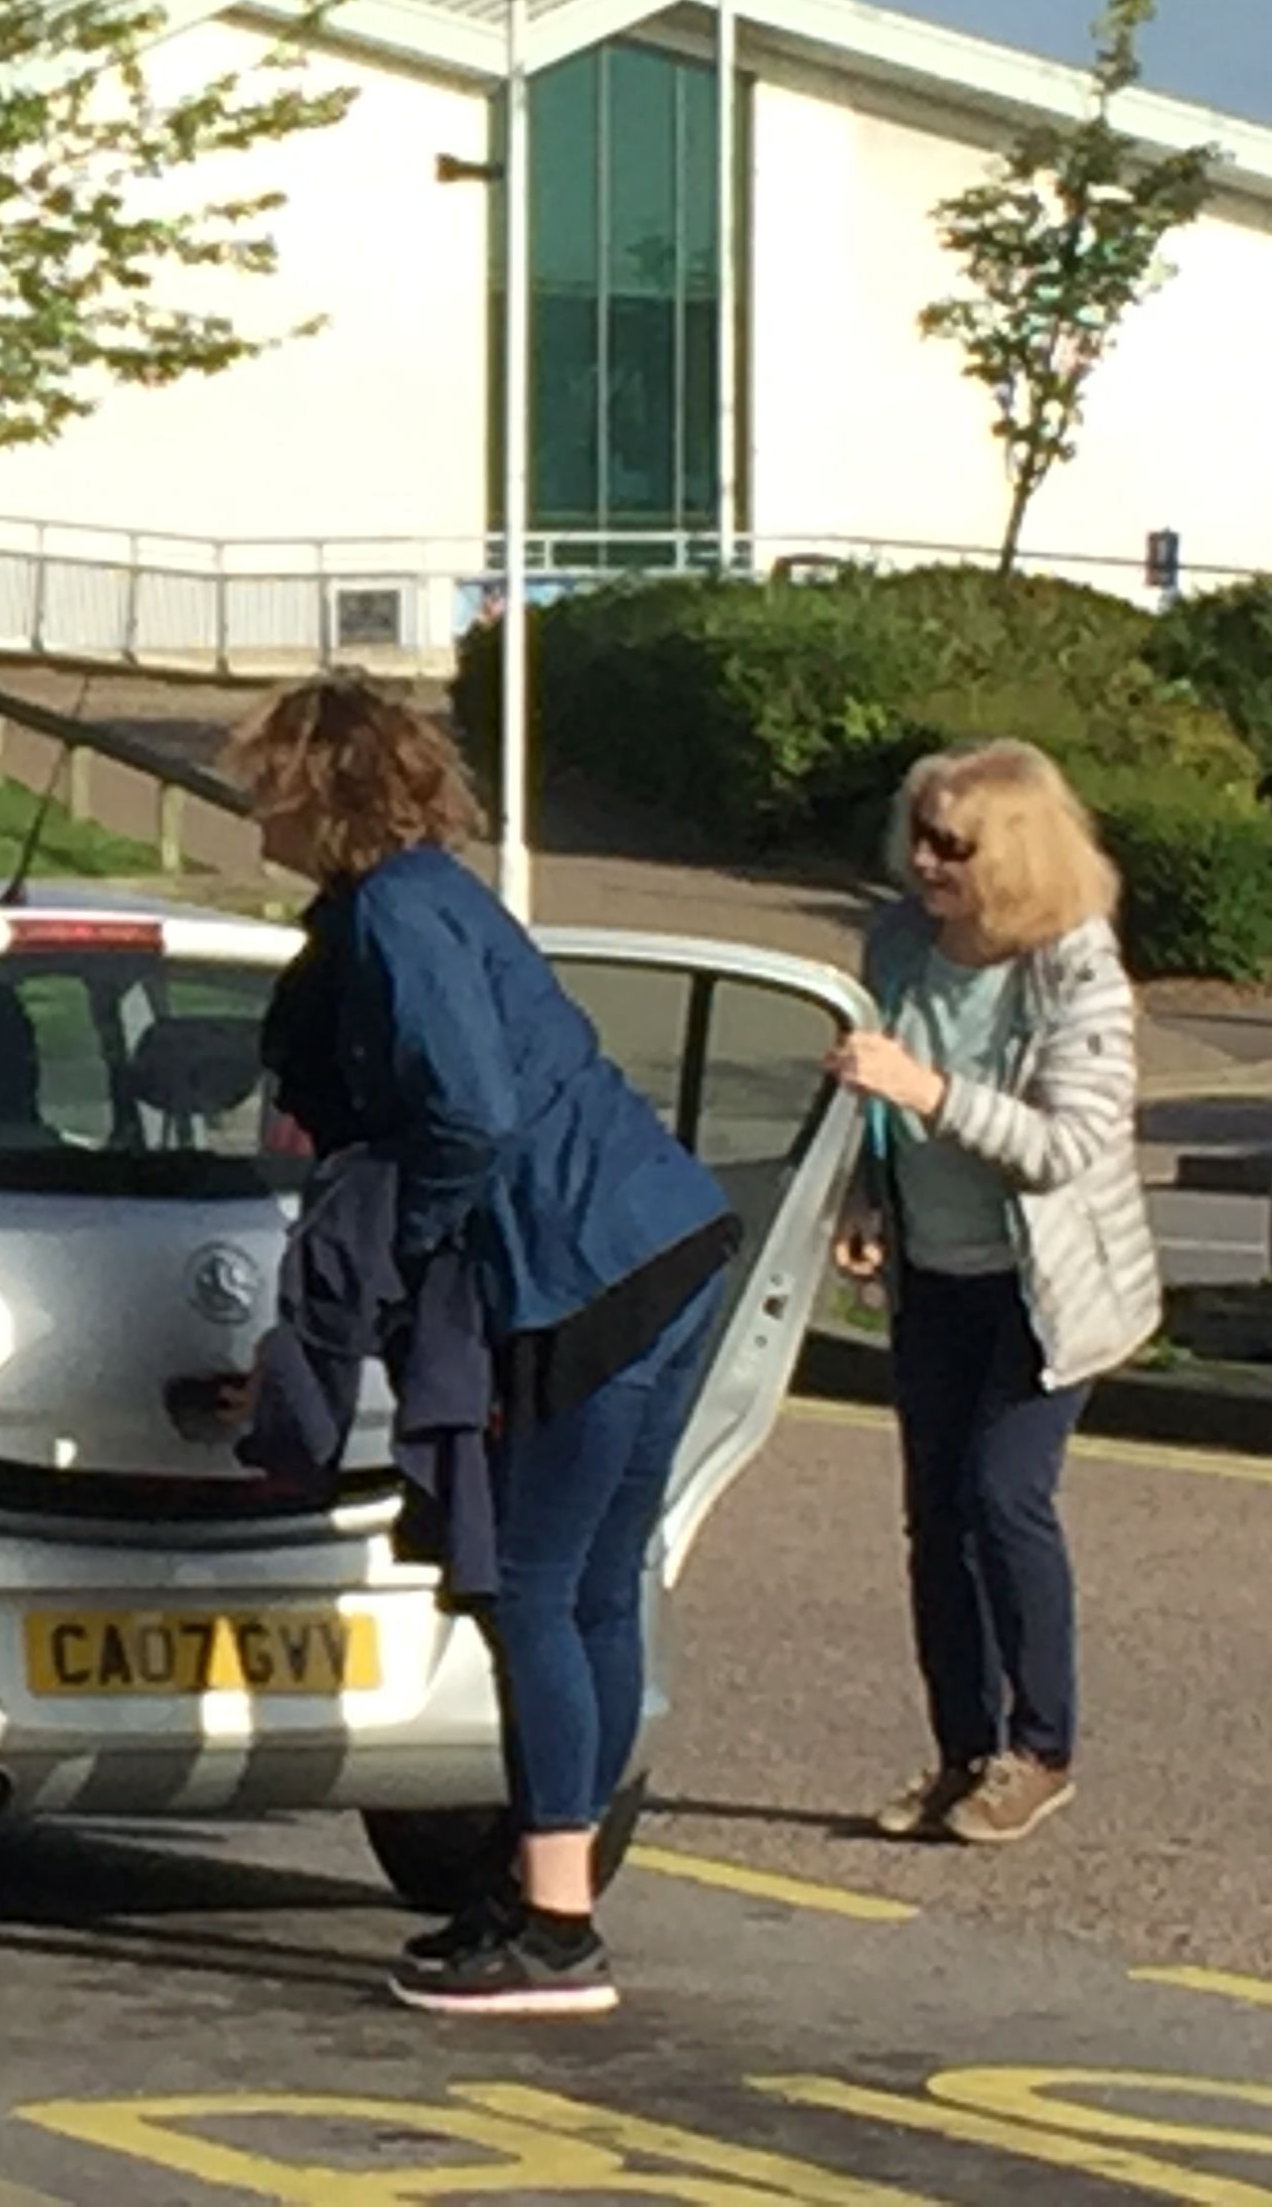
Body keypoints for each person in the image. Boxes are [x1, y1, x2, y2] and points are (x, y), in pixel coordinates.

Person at [219, 679, 738, 2019]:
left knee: (534, 1592)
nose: (249, 800)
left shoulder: (392, 914)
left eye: (264, 775)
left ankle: (554, 1930)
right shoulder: (433, 889)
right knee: (601, 1585)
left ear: (316, 785)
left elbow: (468, 1114)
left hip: (574, 1269)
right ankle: (552, 1891)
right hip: (667, 1238)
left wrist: (402, 1244)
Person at [828, 740, 1159, 1849]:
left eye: (951, 845)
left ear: (1014, 854)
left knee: (1004, 1495)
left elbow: (1067, 1145)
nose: (923, 862)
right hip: (938, 1275)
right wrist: (867, 1198)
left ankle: (1042, 1749)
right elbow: (870, 1108)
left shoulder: (1075, 969)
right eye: (916, 835)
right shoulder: (897, 946)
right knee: (936, 1519)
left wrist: (928, 1089)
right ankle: (963, 1752)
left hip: (1045, 1286)